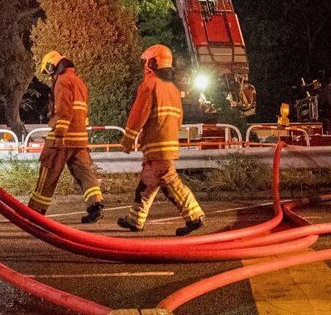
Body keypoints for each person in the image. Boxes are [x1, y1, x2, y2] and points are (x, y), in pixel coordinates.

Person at [117, 44, 205, 236]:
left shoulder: (150, 85)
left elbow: (138, 114)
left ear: (153, 63)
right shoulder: (173, 89)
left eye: (146, 62)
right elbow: (179, 118)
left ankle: (194, 216)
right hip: (167, 142)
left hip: (156, 143)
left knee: (169, 180)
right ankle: (135, 219)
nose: (144, 66)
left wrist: (128, 139)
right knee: (147, 182)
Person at [28, 51, 104, 223]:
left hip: (63, 138)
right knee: (84, 172)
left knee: (48, 173)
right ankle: (95, 205)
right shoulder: (79, 82)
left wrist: (60, 134)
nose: (49, 77)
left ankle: (34, 213)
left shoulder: (62, 81)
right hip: (79, 138)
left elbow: (63, 109)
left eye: (49, 72)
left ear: (52, 66)